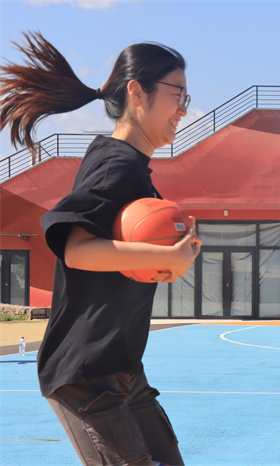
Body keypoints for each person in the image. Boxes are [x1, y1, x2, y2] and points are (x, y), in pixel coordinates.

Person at [0, 32, 201, 465]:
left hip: (122, 368)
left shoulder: (132, 168)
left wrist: (168, 256)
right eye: (177, 94)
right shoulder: (117, 164)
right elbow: (76, 249)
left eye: (187, 97)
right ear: (137, 92)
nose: (184, 108)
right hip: (86, 373)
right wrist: (166, 257)